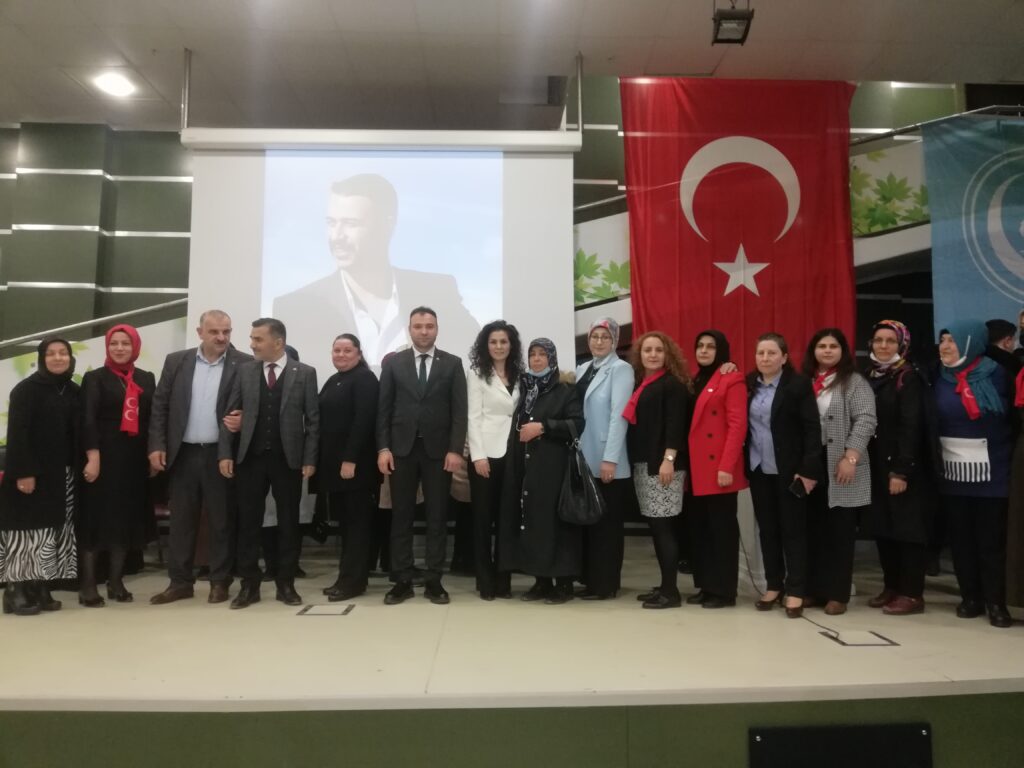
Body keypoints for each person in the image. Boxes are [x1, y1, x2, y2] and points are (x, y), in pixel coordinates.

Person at [272, 174, 479, 369]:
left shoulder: (438, 291)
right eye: (331, 223)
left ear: (387, 225)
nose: (337, 236)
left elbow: (475, 353)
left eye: (351, 224)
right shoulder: (296, 306)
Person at [149, 310, 249, 606]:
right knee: (182, 521)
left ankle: (220, 581)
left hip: (221, 454)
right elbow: (160, 405)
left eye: (226, 331)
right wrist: (156, 445)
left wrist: (245, 419)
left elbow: (256, 405)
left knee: (221, 521)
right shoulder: (176, 361)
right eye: (214, 331)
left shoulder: (244, 363)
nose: (221, 337)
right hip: (183, 453)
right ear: (200, 332)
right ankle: (180, 582)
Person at [218, 318, 320, 609]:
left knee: (289, 523)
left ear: (278, 342)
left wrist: (310, 458)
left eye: (258, 339)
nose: (252, 344)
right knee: (248, 523)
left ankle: (286, 584)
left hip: (288, 460)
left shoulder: (305, 373)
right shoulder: (245, 371)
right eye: (252, 338)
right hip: (250, 459)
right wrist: (225, 453)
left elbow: (313, 420)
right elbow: (229, 415)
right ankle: (249, 586)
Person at [376, 307, 468, 605]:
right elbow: (383, 410)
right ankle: (402, 580)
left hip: (439, 453)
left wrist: (455, 449)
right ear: (410, 329)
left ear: (437, 329)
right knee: (401, 516)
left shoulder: (452, 364)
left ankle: (434, 580)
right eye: (418, 326)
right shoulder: (394, 363)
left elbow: (459, 412)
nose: (424, 331)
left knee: (437, 517)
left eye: (429, 326)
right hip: (401, 451)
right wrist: (383, 448)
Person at [931, 320, 1013, 628]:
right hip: (952, 473)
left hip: (993, 472)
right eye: (943, 341)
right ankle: (970, 597)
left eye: (952, 341)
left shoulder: (998, 373)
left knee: (991, 541)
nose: (945, 346)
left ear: (971, 342)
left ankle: (996, 601)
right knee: (961, 540)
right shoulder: (936, 376)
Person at [499, 338, 585, 604]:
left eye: (542, 355)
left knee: (555, 524)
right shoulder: (527, 389)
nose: (536, 359)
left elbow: (577, 423)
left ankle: (564, 584)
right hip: (527, 466)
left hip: (554, 466)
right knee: (534, 522)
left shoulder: (565, 389)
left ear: (552, 358)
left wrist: (544, 427)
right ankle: (541, 581)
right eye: (532, 354)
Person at [0, 338, 80, 615]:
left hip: (62, 476)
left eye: (63, 353)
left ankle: (38, 586)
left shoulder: (73, 390)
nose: (58, 358)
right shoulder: (26, 390)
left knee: (51, 533)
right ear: (41, 358)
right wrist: (23, 472)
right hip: (31, 474)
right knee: (27, 534)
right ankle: (15, 591)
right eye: (51, 353)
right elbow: (18, 434)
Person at [78, 325, 155, 606]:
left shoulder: (146, 378)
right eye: (114, 343)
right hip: (102, 459)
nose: (120, 348)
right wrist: (93, 456)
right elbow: (87, 419)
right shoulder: (95, 378)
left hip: (133, 461)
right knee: (96, 521)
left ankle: (116, 580)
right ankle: (88, 585)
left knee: (125, 520)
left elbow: (152, 419)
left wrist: (152, 455)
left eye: (125, 343)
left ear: (135, 347)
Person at [802, 328, 877, 616]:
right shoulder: (805, 381)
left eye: (833, 346)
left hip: (841, 462)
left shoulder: (854, 382)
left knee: (840, 531)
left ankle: (837, 594)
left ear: (843, 351)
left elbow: (866, 419)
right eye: (821, 346)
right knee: (812, 528)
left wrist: (851, 456)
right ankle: (812, 589)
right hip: (812, 463)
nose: (827, 351)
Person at [745, 333, 819, 619]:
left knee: (793, 531)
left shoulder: (797, 385)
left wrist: (808, 469)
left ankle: (796, 589)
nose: (765, 358)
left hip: (790, 471)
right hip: (759, 469)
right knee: (768, 530)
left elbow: (812, 429)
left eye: (772, 353)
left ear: (784, 357)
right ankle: (774, 585)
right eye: (760, 353)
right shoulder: (749, 383)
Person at [861, 321, 931, 615]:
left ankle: (912, 593)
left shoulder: (909, 377)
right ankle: (891, 586)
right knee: (883, 527)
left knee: (907, 530)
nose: (883, 346)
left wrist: (901, 470)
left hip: (901, 468)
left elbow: (911, 425)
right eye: (878, 340)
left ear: (902, 345)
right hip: (875, 464)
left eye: (890, 341)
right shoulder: (870, 375)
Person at [625, 332, 692, 609]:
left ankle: (671, 592)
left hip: (663, 466)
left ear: (668, 355)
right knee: (656, 526)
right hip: (646, 464)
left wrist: (669, 459)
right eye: (647, 350)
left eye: (658, 350)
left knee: (664, 528)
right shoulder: (643, 383)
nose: (652, 355)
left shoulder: (672, 385)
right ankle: (665, 585)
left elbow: (676, 425)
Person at [314, 334, 380, 601]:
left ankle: (353, 582)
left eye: (347, 350)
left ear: (359, 354)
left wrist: (350, 459)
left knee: (357, 527)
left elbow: (364, 421)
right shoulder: (334, 380)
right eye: (336, 350)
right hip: (334, 468)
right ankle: (347, 577)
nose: (341, 355)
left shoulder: (365, 379)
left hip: (355, 467)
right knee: (346, 526)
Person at [686, 330, 748, 609]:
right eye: (700, 345)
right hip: (696, 468)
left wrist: (727, 466)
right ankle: (706, 585)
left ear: (720, 350)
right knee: (701, 530)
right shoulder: (695, 379)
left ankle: (724, 591)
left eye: (710, 346)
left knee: (721, 531)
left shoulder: (732, 378)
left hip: (718, 468)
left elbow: (737, 425)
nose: (704, 350)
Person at [573, 318, 633, 601]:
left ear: (614, 341)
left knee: (607, 526)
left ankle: (606, 585)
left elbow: (619, 416)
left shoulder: (621, 369)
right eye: (594, 337)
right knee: (589, 523)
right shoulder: (584, 368)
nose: (599, 342)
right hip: (583, 457)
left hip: (606, 460)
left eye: (605, 337)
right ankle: (590, 579)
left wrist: (610, 459)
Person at [467, 320, 523, 601]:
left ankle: (504, 580)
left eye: (503, 342)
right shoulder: (477, 374)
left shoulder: (520, 374)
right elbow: (473, 417)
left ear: (511, 345)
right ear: (485, 345)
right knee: (482, 520)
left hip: (513, 454)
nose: (499, 346)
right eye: (493, 342)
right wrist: (478, 456)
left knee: (507, 521)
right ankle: (485, 581)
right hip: (486, 455)